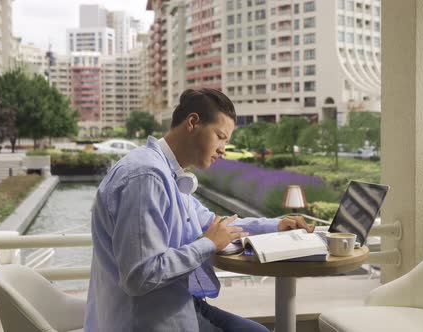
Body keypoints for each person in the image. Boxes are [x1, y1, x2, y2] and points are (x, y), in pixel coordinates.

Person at [84, 88, 313, 331]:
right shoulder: (146, 177)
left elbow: (214, 224)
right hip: (147, 319)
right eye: (220, 136)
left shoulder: (167, 173)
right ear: (192, 122)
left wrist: (276, 225)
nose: (223, 149)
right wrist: (207, 244)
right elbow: (140, 276)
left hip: (178, 302)